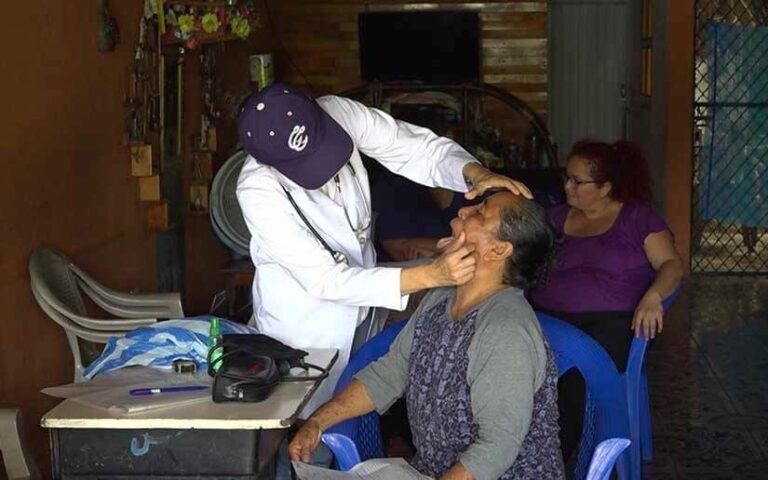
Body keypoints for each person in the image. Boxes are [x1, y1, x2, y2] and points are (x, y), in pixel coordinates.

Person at [235, 82, 532, 416]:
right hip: (307, 329)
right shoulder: (257, 190)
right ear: (270, 164)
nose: (330, 169)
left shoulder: (337, 111)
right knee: (308, 428)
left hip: (365, 309)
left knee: (354, 412)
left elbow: (416, 150)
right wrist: (431, 274)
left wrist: (475, 172)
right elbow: (327, 281)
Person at [289, 192, 565, 480]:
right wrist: (317, 423)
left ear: (498, 251)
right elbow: (390, 373)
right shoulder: (442, 297)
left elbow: (497, 447)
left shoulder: (506, 329)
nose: (464, 211)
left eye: (481, 213)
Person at [529, 139, 683, 462]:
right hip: (548, 319)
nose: (567, 186)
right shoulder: (555, 219)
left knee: (574, 374)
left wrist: (653, 295)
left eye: (577, 181)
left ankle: (567, 457)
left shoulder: (636, 218)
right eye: (566, 177)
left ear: (605, 187)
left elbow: (672, 265)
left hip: (612, 323)